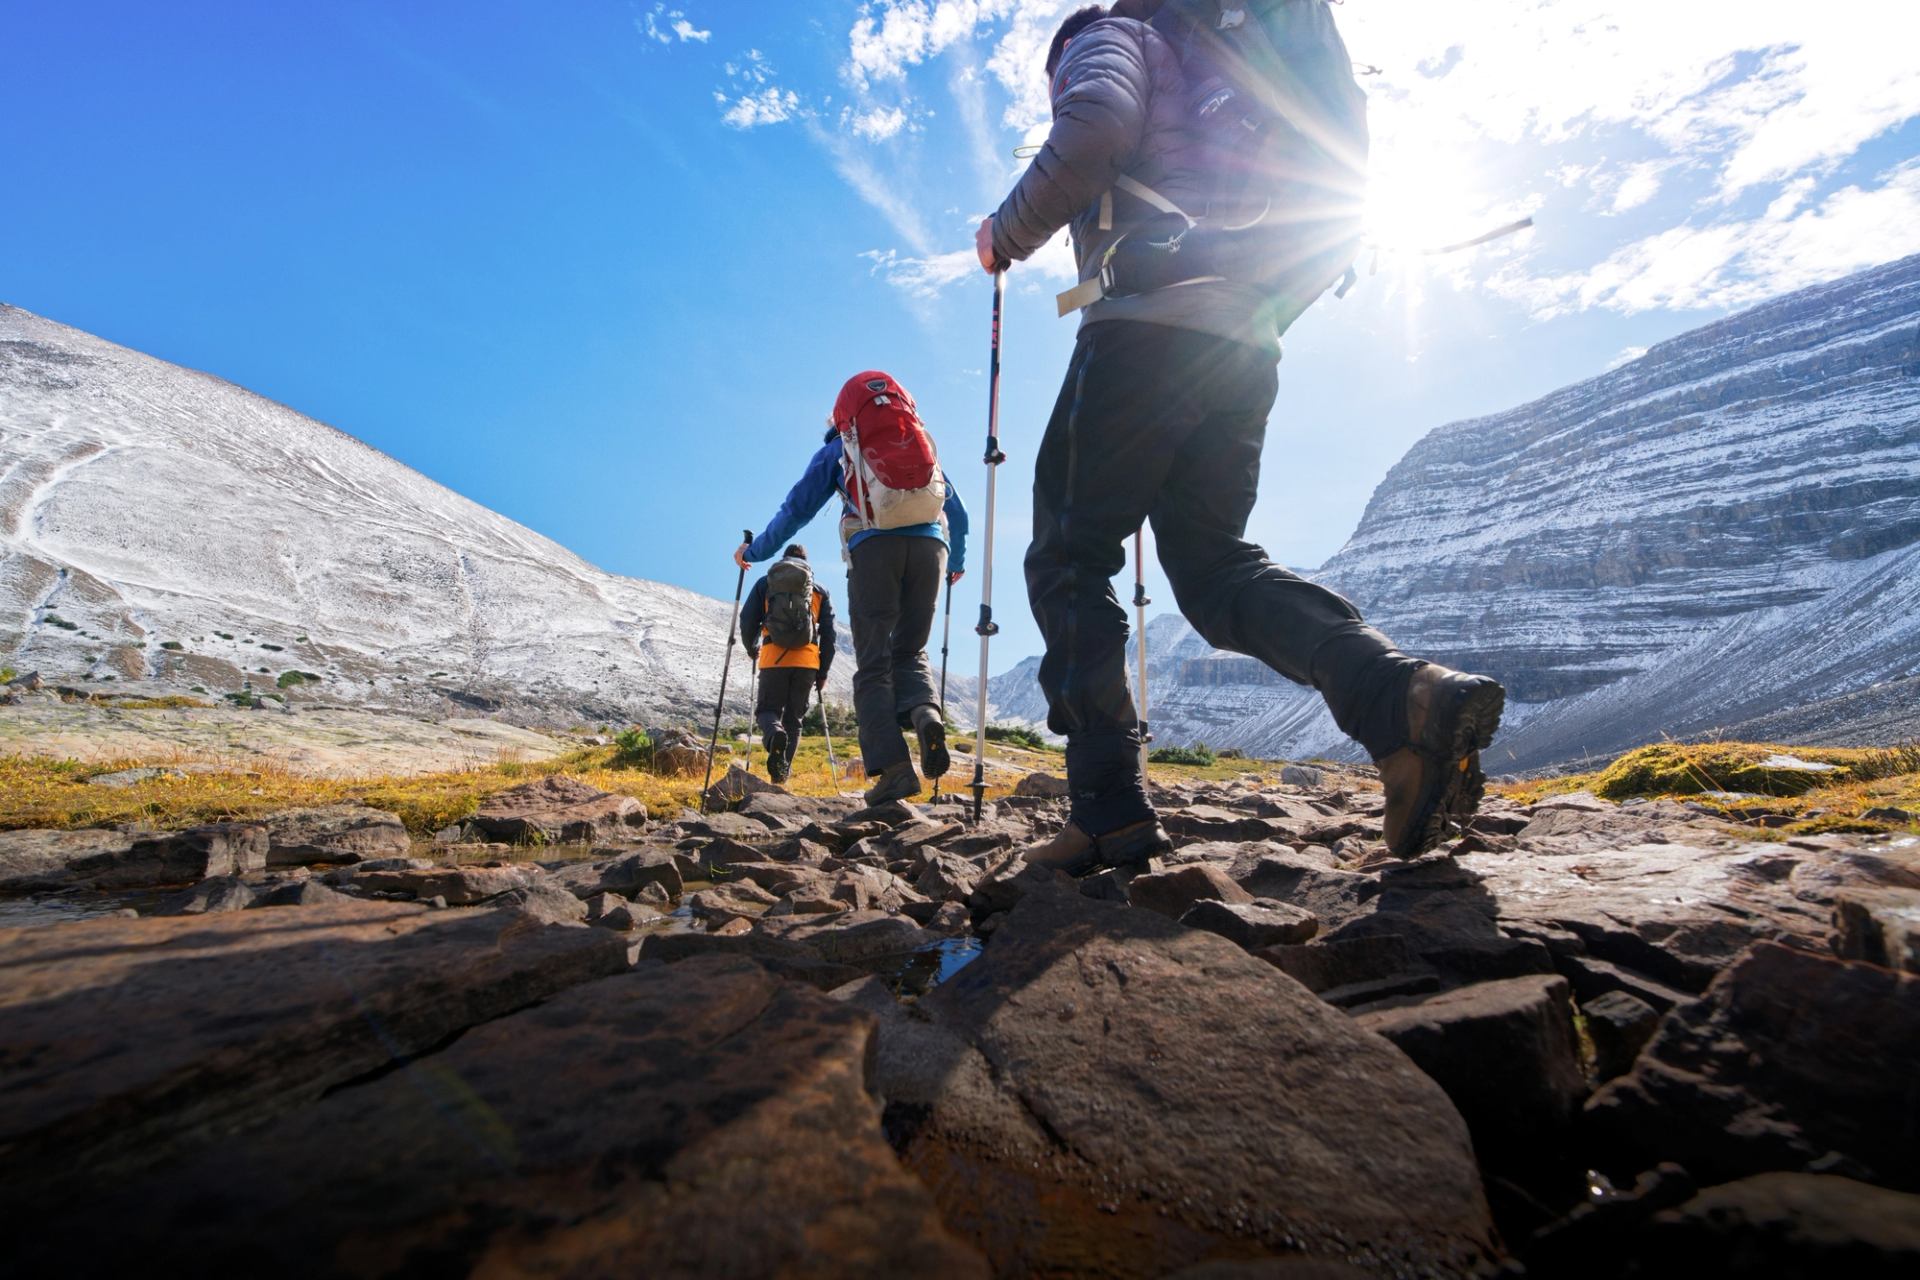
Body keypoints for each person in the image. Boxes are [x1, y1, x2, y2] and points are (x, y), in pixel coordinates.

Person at [974, 4, 1505, 873]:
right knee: (1216, 569)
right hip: (1244, 341)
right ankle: (1399, 697)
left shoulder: (1108, 36)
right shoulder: (1225, 52)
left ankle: (1106, 807)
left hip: (1144, 327)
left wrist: (1006, 231)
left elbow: (1097, 129)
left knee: (1068, 558)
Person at [734, 372, 969, 806]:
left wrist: (756, 550)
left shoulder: (838, 449)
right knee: (912, 650)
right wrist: (955, 560)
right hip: (931, 548)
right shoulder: (916, 442)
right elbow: (957, 508)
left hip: (874, 547)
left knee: (874, 663)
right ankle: (925, 717)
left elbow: (795, 510)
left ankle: (895, 771)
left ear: (843, 419)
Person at [739, 544, 835, 785]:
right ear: (806, 561)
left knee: (767, 711)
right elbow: (830, 635)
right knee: (794, 719)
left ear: (784, 559)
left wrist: (752, 649)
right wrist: (822, 672)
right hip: (807, 662)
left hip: (774, 658)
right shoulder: (818, 590)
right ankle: (780, 778)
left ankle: (774, 735)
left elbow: (747, 620)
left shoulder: (766, 583)